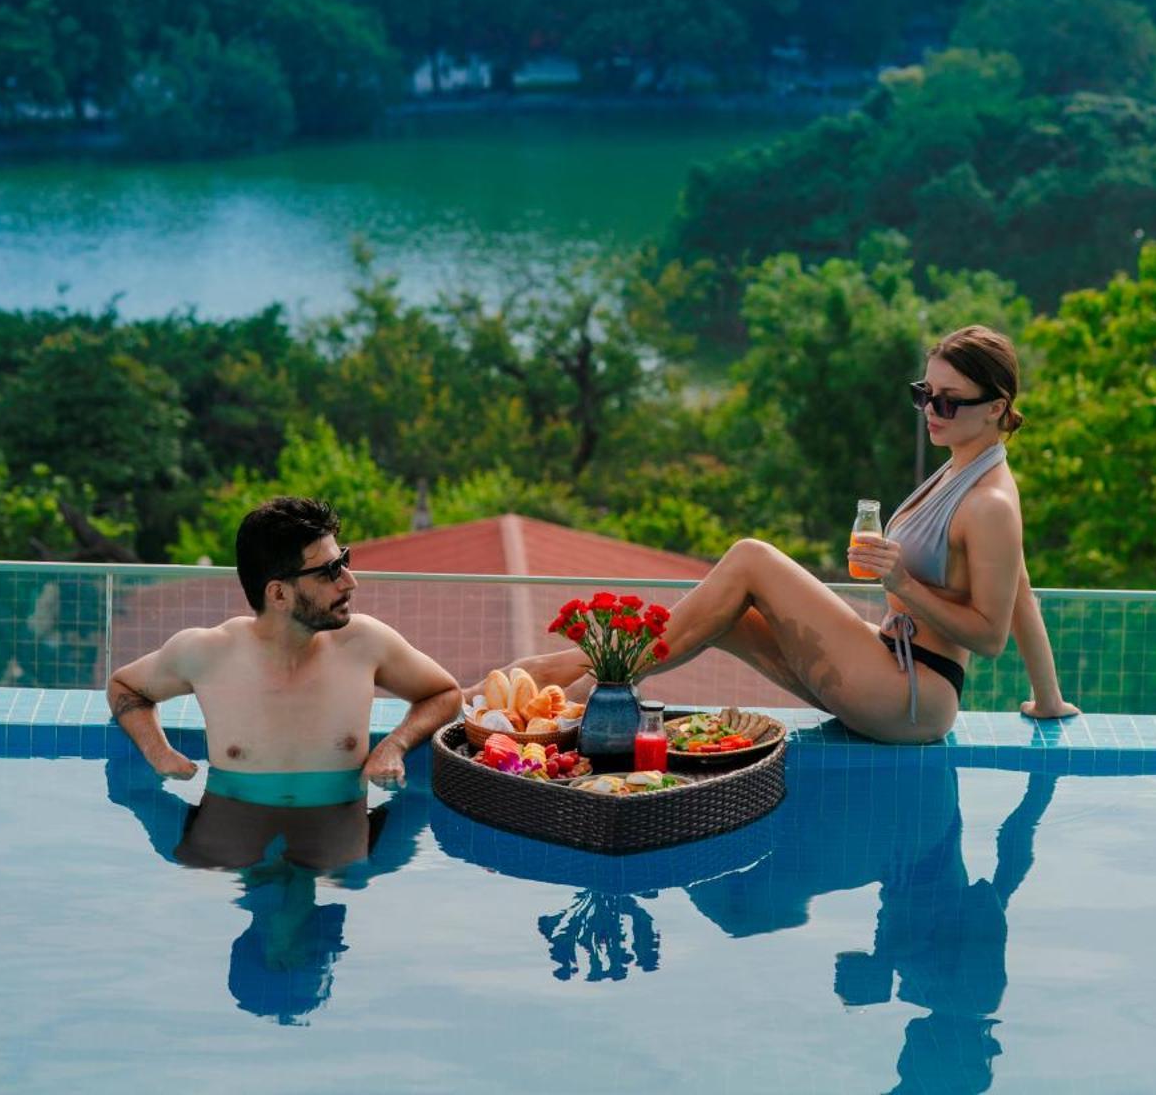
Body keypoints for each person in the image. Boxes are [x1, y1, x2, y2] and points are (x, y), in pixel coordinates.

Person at [512, 327, 1076, 745]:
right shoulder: (963, 466)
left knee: (751, 559)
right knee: (723, 612)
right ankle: (564, 679)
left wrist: (902, 579)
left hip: (913, 695)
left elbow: (990, 636)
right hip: (887, 665)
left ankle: (571, 692)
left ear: (996, 407)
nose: (931, 410)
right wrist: (1048, 701)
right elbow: (1020, 584)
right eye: (924, 394)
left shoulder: (991, 503)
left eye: (949, 401)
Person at [107, 496, 461, 862]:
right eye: (329, 571)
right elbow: (124, 686)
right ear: (278, 594)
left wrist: (394, 745)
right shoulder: (208, 653)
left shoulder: (364, 644)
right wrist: (158, 753)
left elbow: (445, 693)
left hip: (334, 863)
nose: (349, 581)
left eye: (344, 560)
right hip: (232, 855)